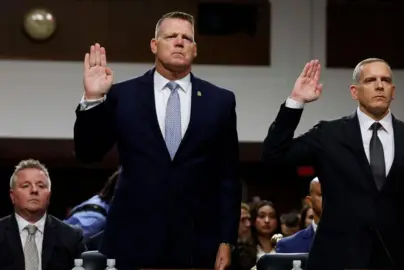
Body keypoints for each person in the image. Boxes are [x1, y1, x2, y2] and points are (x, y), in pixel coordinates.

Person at [73, 11, 241, 270]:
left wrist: (227, 240)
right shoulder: (123, 95)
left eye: (186, 38)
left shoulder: (220, 101)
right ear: (154, 44)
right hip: (131, 240)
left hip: (196, 244)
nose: (179, 42)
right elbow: (88, 152)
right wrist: (94, 99)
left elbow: (228, 177)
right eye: (171, 36)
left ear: (195, 49)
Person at [262, 58, 404, 270]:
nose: (380, 85)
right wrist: (296, 101)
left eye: (386, 80)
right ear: (355, 91)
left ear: (393, 90)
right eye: (371, 80)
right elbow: (273, 155)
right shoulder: (329, 135)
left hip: (396, 261)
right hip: (337, 260)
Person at [0, 159, 86, 270]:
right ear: (12, 196)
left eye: (41, 186)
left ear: (49, 195)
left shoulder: (72, 237)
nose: (34, 190)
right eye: (26, 186)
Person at [276, 177, 322, 253]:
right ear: (310, 201)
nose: (329, 199)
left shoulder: (348, 241)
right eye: (322, 194)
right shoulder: (288, 245)